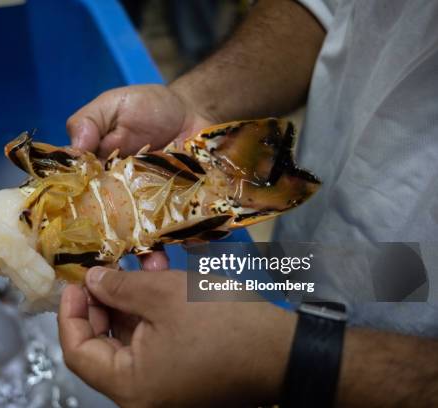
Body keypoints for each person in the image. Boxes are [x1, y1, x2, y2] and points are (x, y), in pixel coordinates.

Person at [58, 0, 438, 406]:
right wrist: (196, 102)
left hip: (411, 323)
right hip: (334, 250)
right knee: (343, 275)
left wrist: (291, 361)